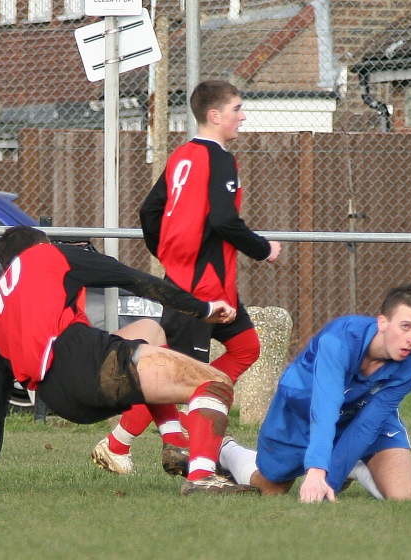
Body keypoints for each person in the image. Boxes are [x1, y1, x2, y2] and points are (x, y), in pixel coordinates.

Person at [0, 225, 259, 497]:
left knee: (151, 330)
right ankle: (201, 477)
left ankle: (174, 439)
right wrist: (202, 308)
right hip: (88, 366)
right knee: (214, 381)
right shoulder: (45, 255)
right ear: (41, 245)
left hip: (61, 401)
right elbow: (132, 279)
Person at [91, 80, 282, 480]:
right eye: (237, 108)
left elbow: (148, 212)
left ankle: (150, 435)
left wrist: (168, 255)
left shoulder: (182, 156)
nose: (242, 116)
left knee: (246, 347)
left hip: (205, 286)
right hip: (199, 292)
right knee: (182, 379)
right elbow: (224, 220)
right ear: (215, 116)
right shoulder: (219, 159)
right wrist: (264, 249)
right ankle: (179, 464)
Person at [219, 284, 411, 503]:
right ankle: (227, 450)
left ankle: (354, 466)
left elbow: (368, 424)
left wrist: (330, 481)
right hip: (304, 408)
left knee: (402, 497)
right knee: (272, 486)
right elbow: (325, 407)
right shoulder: (339, 340)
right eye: (405, 326)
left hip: (358, 414)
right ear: (383, 323)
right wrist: (317, 469)